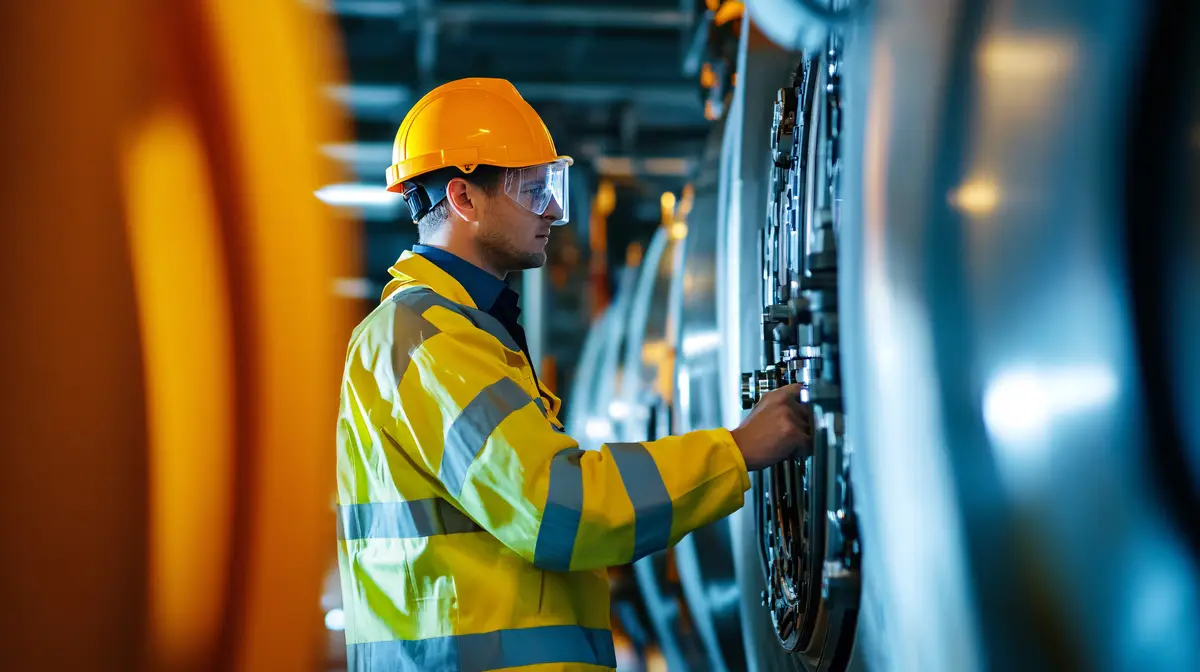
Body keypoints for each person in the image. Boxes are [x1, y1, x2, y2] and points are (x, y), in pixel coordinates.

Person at [336, 77, 813, 671]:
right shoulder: (424, 336)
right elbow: (557, 509)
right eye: (533, 189)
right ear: (463, 197)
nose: (556, 210)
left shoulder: (455, 331)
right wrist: (736, 451)